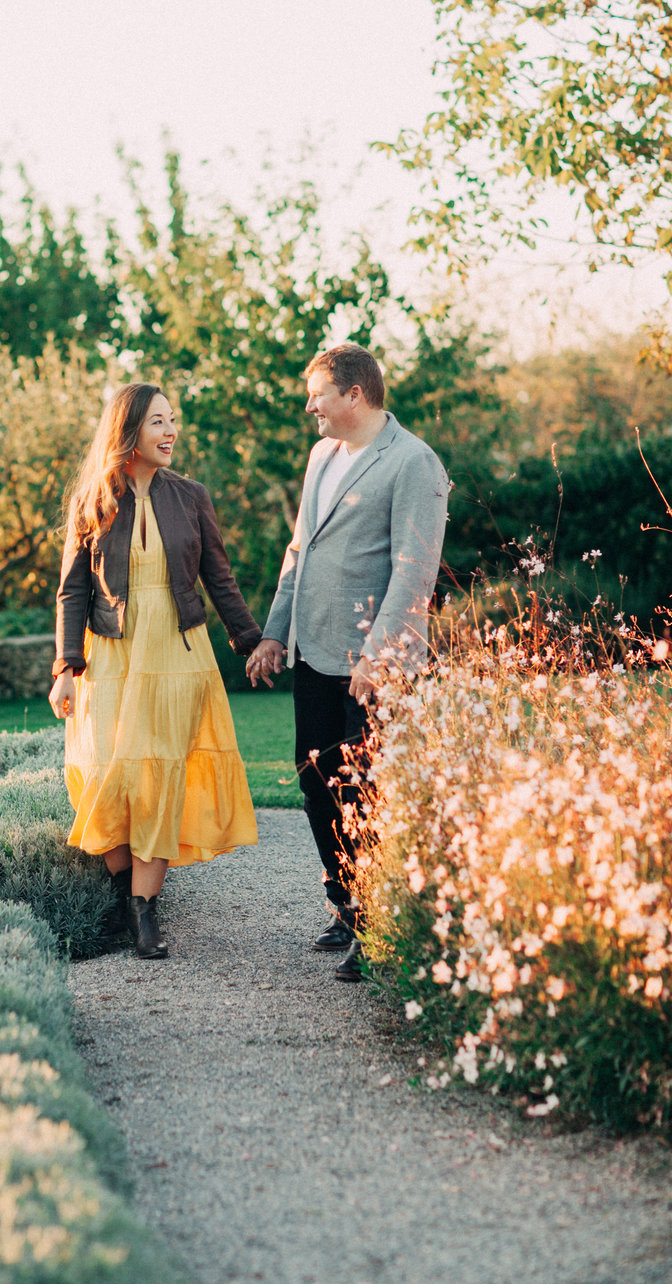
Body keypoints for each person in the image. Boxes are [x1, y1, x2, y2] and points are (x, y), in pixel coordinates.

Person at [245, 344, 449, 981]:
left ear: (354, 394)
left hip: (372, 662)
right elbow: (299, 548)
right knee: (315, 782)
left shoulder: (415, 463)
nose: (310, 406)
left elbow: (414, 574)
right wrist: (275, 633)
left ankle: (381, 924)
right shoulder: (321, 456)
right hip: (312, 652)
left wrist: (376, 656)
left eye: (317, 395)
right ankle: (348, 906)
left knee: (369, 790)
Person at [49, 381, 261, 959]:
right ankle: (127, 895)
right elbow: (72, 592)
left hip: (176, 654)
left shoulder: (191, 496)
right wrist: (67, 667)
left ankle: (144, 913)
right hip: (111, 655)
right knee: (104, 774)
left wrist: (251, 641)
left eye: (173, 421)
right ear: (129, 431)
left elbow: (219, 577)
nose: (171, 432)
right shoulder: (91, 500)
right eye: (159, 422)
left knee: (160, 775)